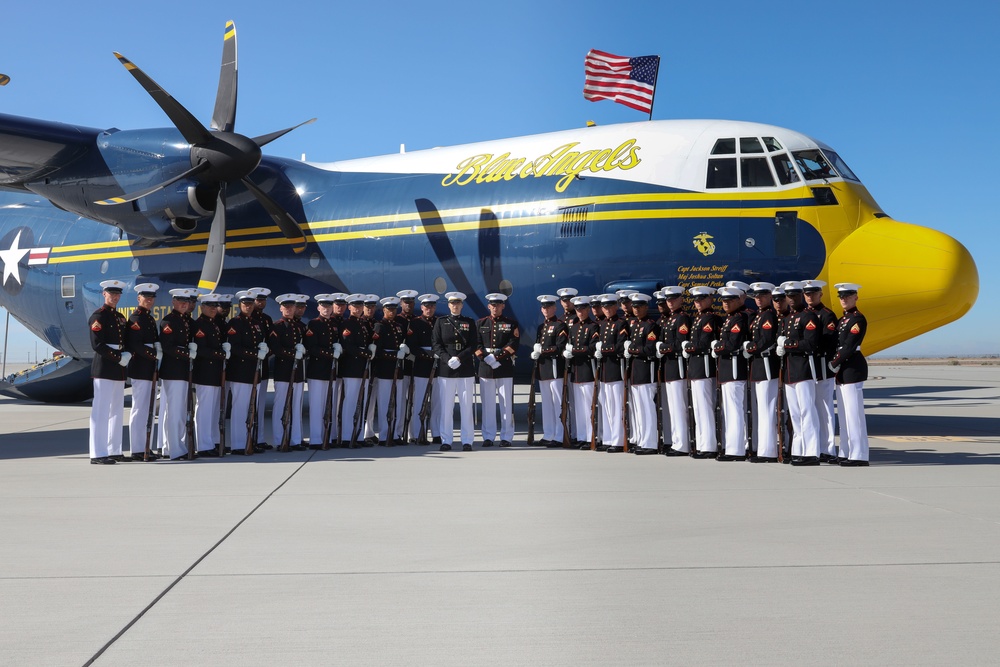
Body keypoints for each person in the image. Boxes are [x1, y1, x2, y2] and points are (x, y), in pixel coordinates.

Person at [776, 280, 821, 466]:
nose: (791, 299)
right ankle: (798, 450)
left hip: (803, 370)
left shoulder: (808, 317)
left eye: (795, 295)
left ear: (801, 295)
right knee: (795, 414)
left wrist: (787, 345)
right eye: (789, 296)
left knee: (807, 411)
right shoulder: (787, 319)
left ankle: (811, 452)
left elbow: (811, 343)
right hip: (789, 372)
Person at [88, 279, 130, 464]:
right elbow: (97, 344)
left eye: (117, 294)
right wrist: (118, 356)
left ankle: (114, 450)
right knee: (101, 411)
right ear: (104, 294)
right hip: (105, 366)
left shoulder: (120, 317)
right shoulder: (99, 317)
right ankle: (97, 453)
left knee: (116, 411)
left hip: (118, 368)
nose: (115, 297)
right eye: (111, 294)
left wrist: (126, 354)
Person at [831, 283, 870, 466]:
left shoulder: (858, 319)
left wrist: (834, 362)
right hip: (842, 371)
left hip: (852, 367)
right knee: (845, 414)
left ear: (856, 297)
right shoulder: (843, 320)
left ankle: (859, 455)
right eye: (841, 296)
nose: (843, 299)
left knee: (854, 414)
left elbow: (849, 346)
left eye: (847, 295)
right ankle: (846, 452)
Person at [432, 291, 476, 451]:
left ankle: (467, 440)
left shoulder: (469, 322)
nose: (455, 306)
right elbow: (436, 344)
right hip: (446, 369)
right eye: (452, 303)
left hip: (464, 368)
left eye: (458, 303)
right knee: (446, 407)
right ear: (449, 305)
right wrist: (446, 359)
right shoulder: (441, 322)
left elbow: (473, 344)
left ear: (462, 305)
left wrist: (459, 358)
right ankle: (446, 440)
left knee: (466, 406)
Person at [475, 293, 520, 448]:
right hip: (486, 368)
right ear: (489, 306)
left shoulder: (511, 324)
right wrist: (486, 358)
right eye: (492, 305)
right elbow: (476, 344)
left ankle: (507, 436)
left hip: (504, 367)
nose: (495, 308)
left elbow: (513, 343)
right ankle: (488, 436)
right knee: (487, 405)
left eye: (498, 305)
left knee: (506, 404)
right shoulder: (480, 323)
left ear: (503, 306)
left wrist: (497, 357)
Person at [226, 291, 267, 454]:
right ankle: (238, 444)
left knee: (251, 409)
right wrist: (255, 353)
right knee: (239, 408)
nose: (248, 307)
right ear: (240, 305)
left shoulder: (256, 323)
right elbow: (235, 348)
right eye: (245, 304)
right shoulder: (234, 323)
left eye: (250, 304)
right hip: (240, 371)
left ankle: (249, 440)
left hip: (253, 372)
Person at [713, 286, 751, 460]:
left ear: (738, 300)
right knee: (729, 410)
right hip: (728, 369)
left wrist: (717, 347)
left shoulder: (738, 319)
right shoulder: (730, 319)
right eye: (723, 301)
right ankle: (732, 446)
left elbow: (732, 344)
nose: (726, 304)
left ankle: (736, 450)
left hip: (735, 369)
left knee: (735, 410)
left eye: (729, 301)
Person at [158, 288, 197, 460]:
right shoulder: (169, 321)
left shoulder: (185, 321)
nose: (184, 304)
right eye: (180, 301)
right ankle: (175, 449)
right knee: (174, 411)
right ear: (173, 302)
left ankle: (174, 447)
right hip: (173, 371)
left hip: (182, 371)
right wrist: (188, 353)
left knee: (180, 411)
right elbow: (168, 347)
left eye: (186, 301)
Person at [744, 282, 781, 462]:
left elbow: (766, 340)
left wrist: (751, 347)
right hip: (758, 365)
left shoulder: (768, 315)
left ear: (769, 296)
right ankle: (762, 448)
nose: (758, 299)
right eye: (756, 297)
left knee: (767, 409)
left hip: (766, 364)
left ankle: (768, 452)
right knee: (761, 409)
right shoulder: (760, 315)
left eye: (762, 296)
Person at [803, 279, 839, 463]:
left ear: (820, 294)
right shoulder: (802, 314)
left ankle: (828, 448)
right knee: (810, 409)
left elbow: (829, 341)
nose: (810, 296)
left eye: (813, 293)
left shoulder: (827, 315)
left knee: (824, 409)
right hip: (807, 368)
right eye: (807, 294)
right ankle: (814, 446)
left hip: (822, 367)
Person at [683, 286, 721, 458]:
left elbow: (705, 342)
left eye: (701, 299)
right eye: (696, 300)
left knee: (705, 407)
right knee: (698, 408)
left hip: (704, 367)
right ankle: (701, 443)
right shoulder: (698, 319)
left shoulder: (710, 319)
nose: (698, 303)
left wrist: (691, 348)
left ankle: (709, 447)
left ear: (709, 299)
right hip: (696, 367)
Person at [126, 282, 161, 461]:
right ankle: (137, 448)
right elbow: (135, 345)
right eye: (146, 297)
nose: (149, 300)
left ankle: (146, 446)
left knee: (148, 410)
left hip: (149, 368)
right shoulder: (136, 318)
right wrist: (154, 353)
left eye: (151, 298)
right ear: (138, 298)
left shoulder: (148, 318)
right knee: (139, 409)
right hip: (140, 368)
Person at [621, 293, 659, 454]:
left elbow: (649, 349)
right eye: (634, 307)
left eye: (639, 307)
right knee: (638, 409)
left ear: (645, 307)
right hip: (636, 372)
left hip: (646, 371)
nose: (636, 310)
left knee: (647, 407)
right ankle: (643, 440)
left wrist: (632, 349)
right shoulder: (634, 325)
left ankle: (650, 443)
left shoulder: (651, 326)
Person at [656, 286, 692, 456]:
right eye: (668, 300)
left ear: (680, 299)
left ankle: (682, 444)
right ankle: (676, 441)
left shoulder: (682, 319)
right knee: (673, 407)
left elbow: (680, 344)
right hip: (669, 367)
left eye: (673, 299)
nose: (670, 303)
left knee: (679, 407)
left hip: (677, 367)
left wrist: (664, 347)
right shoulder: (671, 319)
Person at [192, 294, 228, 457]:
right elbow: (201, 350)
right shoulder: (199, 325)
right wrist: (220, 354)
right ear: (202, 307)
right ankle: (203, 445)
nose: (213, 309)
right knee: (204, 410)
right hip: (205, 373)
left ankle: (212, 442)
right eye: (209, 306)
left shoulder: (213, 325)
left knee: (213, 410)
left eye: (215, 306)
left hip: (214, 374)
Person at [304, 294, 342, 449]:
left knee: (329, 405)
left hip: (330, 371)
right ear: (318, 308)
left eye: (328, 307)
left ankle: (328, 436)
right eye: (323, 307)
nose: (326, 309)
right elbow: (312, 348)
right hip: (317, 371)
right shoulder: (313, 324)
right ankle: (315, 439)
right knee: (316, 406)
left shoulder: (333, 324)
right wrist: (331, 353)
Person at [269, 294, 307, 450]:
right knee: (280, 407)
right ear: (281, 308)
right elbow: (276, 349)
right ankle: (280, 440)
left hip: (297, 373)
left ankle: (295, 439)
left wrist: (303, 352)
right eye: (286, 307)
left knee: (296, 407)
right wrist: (293, 353)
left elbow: (307, 346)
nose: (289, 309)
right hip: (283, 372)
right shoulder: (276, 326)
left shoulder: (299, 327)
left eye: (291, 307)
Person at [531, 294, 568, 447]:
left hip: (555, 369)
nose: (546, 309)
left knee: (558, 403)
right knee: (546, 404)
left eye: (549, 307)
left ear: (554, 308)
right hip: (544, 370)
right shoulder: (541, 327)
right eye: (543, 307)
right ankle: (548, 433)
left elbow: (559, 347)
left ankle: (560, 435)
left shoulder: (560, 325)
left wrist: (543, 350)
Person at [339, 294, 374, 446]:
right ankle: (347, 436)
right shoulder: (347, 324)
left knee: (362, 401)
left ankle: (358, 436)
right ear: (349, 307)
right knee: (350, 401)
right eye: (355, 306)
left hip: (363, 368)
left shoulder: (363, 324)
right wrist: (365, 352)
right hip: (351, 368)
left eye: (360, 306)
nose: (358, 309)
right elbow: (348, 345)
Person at [564, 296, 599, 449]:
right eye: (578, 309)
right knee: (578, 407)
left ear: (587, 309)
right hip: (576, 371)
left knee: (589, 406)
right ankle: (581, 436)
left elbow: (591, 348)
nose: (580, 312)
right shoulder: (573, 327)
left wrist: (574, 351)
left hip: (587, 370)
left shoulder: (593, 327)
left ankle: (591, 436)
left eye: (583, 309)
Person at [406, 294, 441, 444]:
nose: (429, 309)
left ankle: (437, 433)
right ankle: (416, 433)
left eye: (432, 306)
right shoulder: (415, 323)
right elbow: (412, 346)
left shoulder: (439, 322)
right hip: (422, 366)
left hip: (438, 367)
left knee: (437, 402)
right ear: (421, 308)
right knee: (419, 400)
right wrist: (430, 355)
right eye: (426, 307)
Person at [372, 296, 408, 445]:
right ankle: (384, 435)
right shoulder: (379, 326)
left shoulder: (398, 326)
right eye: (388, 309)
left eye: (394, 309)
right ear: (383, 310)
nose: (391, 312)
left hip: (397, 370)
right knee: (385, 402)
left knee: (398, 402)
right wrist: (394, 355)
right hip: (385, 370)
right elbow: (377, 351)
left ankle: (394, 434)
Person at [595, 294, 628, 451]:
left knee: (616, 407)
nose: (607, 310)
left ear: (616, 307)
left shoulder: (621, 324)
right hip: (605, 371)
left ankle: (618, 441)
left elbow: (620, 346)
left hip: (616, 370)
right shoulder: (602, 325)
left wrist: (603, 350)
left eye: (610, 306)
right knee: (607, 406)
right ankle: (608, 439)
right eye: (604, 307)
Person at [249, 287, 273, 451]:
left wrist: (267, 351)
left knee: (261, 404)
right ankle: (250, 438)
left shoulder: (266, 319)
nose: (261, 303)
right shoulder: (248, 320)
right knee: (250, 404)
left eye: (263, 300)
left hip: (262, 367)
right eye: (258, 300)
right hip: (250, 367)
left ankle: (260, 437)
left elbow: (272, 340)